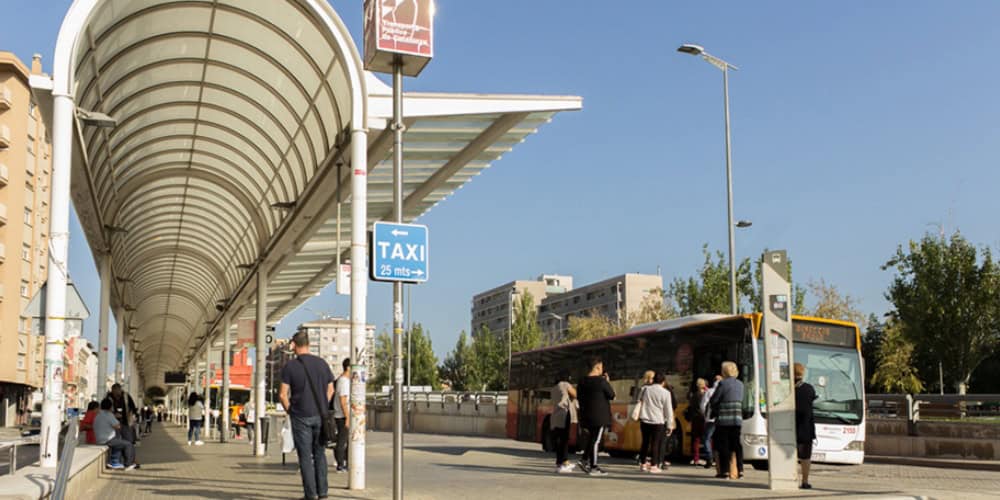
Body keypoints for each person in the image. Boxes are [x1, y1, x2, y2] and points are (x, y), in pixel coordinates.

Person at [280, 330, 335, 500]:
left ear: (294, 345)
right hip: (320, 415)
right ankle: (323, 493)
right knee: (320, 454)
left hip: (300, 416)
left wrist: (291, 410)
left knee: (305, 457)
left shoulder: (290, 366)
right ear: (309, 344)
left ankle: (310, 495)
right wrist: (322, 406)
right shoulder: (322, 364)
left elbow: (282, 395)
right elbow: (331, 389)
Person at [576, 356, 615, 476]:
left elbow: (579, 397)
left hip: (586, 415)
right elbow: (612, 395)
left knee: (592, 438)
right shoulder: (601, 381)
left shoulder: (581, 382)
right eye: (601, 368)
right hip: (599, 416)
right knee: (596, 441)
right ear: (597, 367)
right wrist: (607, 382)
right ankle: (594, 467)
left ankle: (584, 460)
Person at [709, 361, 744, 480]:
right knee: (736, 445)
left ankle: (725, 471)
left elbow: (714, 400)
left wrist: (715, 407)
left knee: (723, 445)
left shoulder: (722, 383)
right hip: (737, 419)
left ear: (724, 371)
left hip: (724, 419)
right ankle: (740, 469)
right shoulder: (740, 384)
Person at [638, 372, 674, 474]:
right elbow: (668, 410)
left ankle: (642, 463)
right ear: (663, 381)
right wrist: (670, 425)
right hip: (658, 421)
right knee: (655, 443)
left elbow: (639, 401)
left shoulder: (645, 389)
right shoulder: (666, 393)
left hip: (645, 419)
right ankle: (654, 465)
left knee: (645, 442)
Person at [94, 399, 139, 470]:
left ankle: (114, 462)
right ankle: (128, 464)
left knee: (119, 442)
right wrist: (117, 417)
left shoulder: (98, 415)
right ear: (110, 407)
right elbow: (118, 426)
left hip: (99, 439)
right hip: (107, 439)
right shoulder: (109, 415)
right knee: (128, 444)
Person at [794, 362, 817, 490]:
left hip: (790, 427)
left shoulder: (787, 388)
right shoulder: (809, 388)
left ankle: (791, 479)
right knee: (805, 457)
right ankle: (805, 481)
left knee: (790, 455)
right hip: (806, 428)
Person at [550, 371, 578, 473]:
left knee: (559, 440)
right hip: (564, 414)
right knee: (564, 439)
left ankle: (559, 463)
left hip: (555, 415)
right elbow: (575, 394)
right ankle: (565, 462)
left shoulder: (554, 388)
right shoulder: (565, 385)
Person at [332, 357, 351, 473]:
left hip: (342, 415)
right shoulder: (343, 381)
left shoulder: (343, 380)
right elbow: (343, 400)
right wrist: (348, 417)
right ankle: (340, 464)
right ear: (348, 368)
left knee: (345, 440)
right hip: (342, 416)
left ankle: (344, 462)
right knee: (342, 441)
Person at [635, 370, 655, 468]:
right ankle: (651, 460)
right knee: (652, 441)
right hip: (652, 417)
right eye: (652, 378)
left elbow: (639, 400)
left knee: (646, 440)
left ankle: (642, 460)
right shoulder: (652, 389)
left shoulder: (643, 388)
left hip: (644, 417)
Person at [702, 375, 721, 470]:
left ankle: (709, 458)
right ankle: (718, 459)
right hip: (721, 419)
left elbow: (703, 405)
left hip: (710, 419)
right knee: (718, 439)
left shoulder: (709, 391)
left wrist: (705, 416)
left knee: (707, 438)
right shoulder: (723, 390)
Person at [687, 378, 708, 466]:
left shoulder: (694, 395)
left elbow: (691, 407)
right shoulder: (706, 395)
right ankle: (709, 457)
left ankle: (696, 458)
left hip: (695, 419)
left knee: (696, 439)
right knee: (707, 438)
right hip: (703, 419)